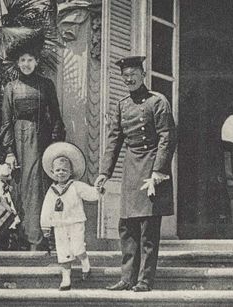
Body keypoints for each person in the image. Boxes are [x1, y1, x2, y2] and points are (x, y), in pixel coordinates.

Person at [94, 56, 177, 292]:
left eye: (133, 74)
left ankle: (144, 280)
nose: (129, 79)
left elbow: (167, 137)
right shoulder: (122, 105)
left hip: (152, 168)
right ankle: (127, 278)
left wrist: (159, 170)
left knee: (148, 229)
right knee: (127, 226)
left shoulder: (158, 101)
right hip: (131, 169)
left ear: (143, 74)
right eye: (125, 76)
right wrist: (104, 172)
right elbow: (114, 141)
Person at [0, 41, 65, 251]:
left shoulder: (46, 85)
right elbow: (6, 121)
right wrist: (9, 152)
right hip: (19, 141)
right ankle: (23, 239)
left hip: (42, 140)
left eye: (30, 60)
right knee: (21, 187)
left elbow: (55, 116)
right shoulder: (10, 88)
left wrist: (55, 144)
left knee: (39, 187)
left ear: (36, 62)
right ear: (17, 63)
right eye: (22, 60)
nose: (26, 64)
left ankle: (41, 239)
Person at [40, 142, 102, 291]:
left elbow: (90, 193)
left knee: (77, 247)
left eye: (65, 170)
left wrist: (98, 191)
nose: (61, 173)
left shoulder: (75, 186)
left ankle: (85, 261)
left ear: (71, 172)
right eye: (58, 170)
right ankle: (66, 278)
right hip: (59, 224)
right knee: (63, 251)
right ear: (52, 172)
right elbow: (46, 208)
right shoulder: (52, 191)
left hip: (75, 222)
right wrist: (45, 225)